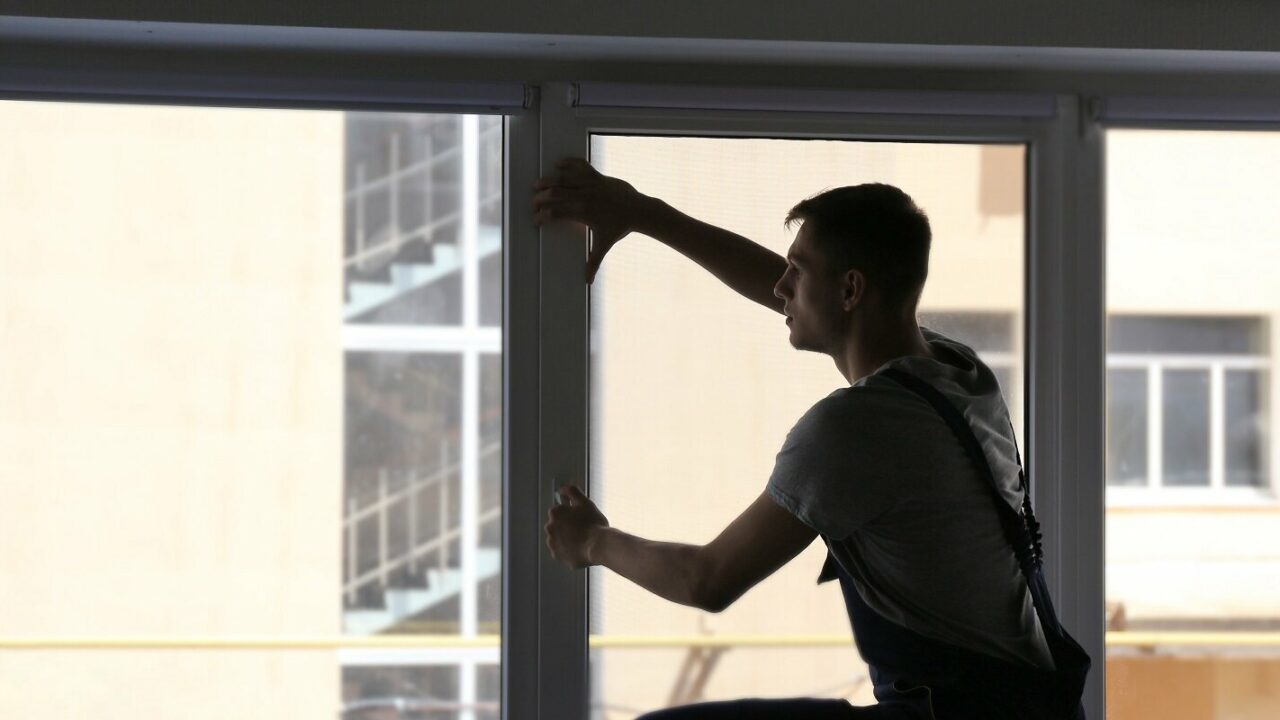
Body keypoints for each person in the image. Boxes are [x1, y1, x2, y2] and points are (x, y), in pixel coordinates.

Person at [534, 158, 1085, 719]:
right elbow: (791, 292)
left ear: (850, 290)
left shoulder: (851, 431)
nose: (780, 287)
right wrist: (643, 214)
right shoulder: (958, 374)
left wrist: (592, 542)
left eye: (797, 270)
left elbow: (707, 580)